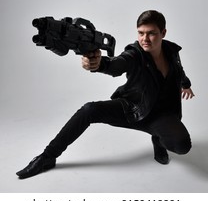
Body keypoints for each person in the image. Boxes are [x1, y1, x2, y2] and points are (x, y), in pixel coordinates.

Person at [16, 10, 195, 179]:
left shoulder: (171, 51)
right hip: (134, 109)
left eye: (151, 33)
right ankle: (47, 157)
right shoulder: (135, 54)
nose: (144, 39)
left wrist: (185, 84)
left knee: (182, 146)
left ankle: (158, 139)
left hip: (162, 116)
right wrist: (99, 64)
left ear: (163, 32)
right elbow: (117, 64)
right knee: (89, 110)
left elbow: (178, 69)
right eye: (140, 33)